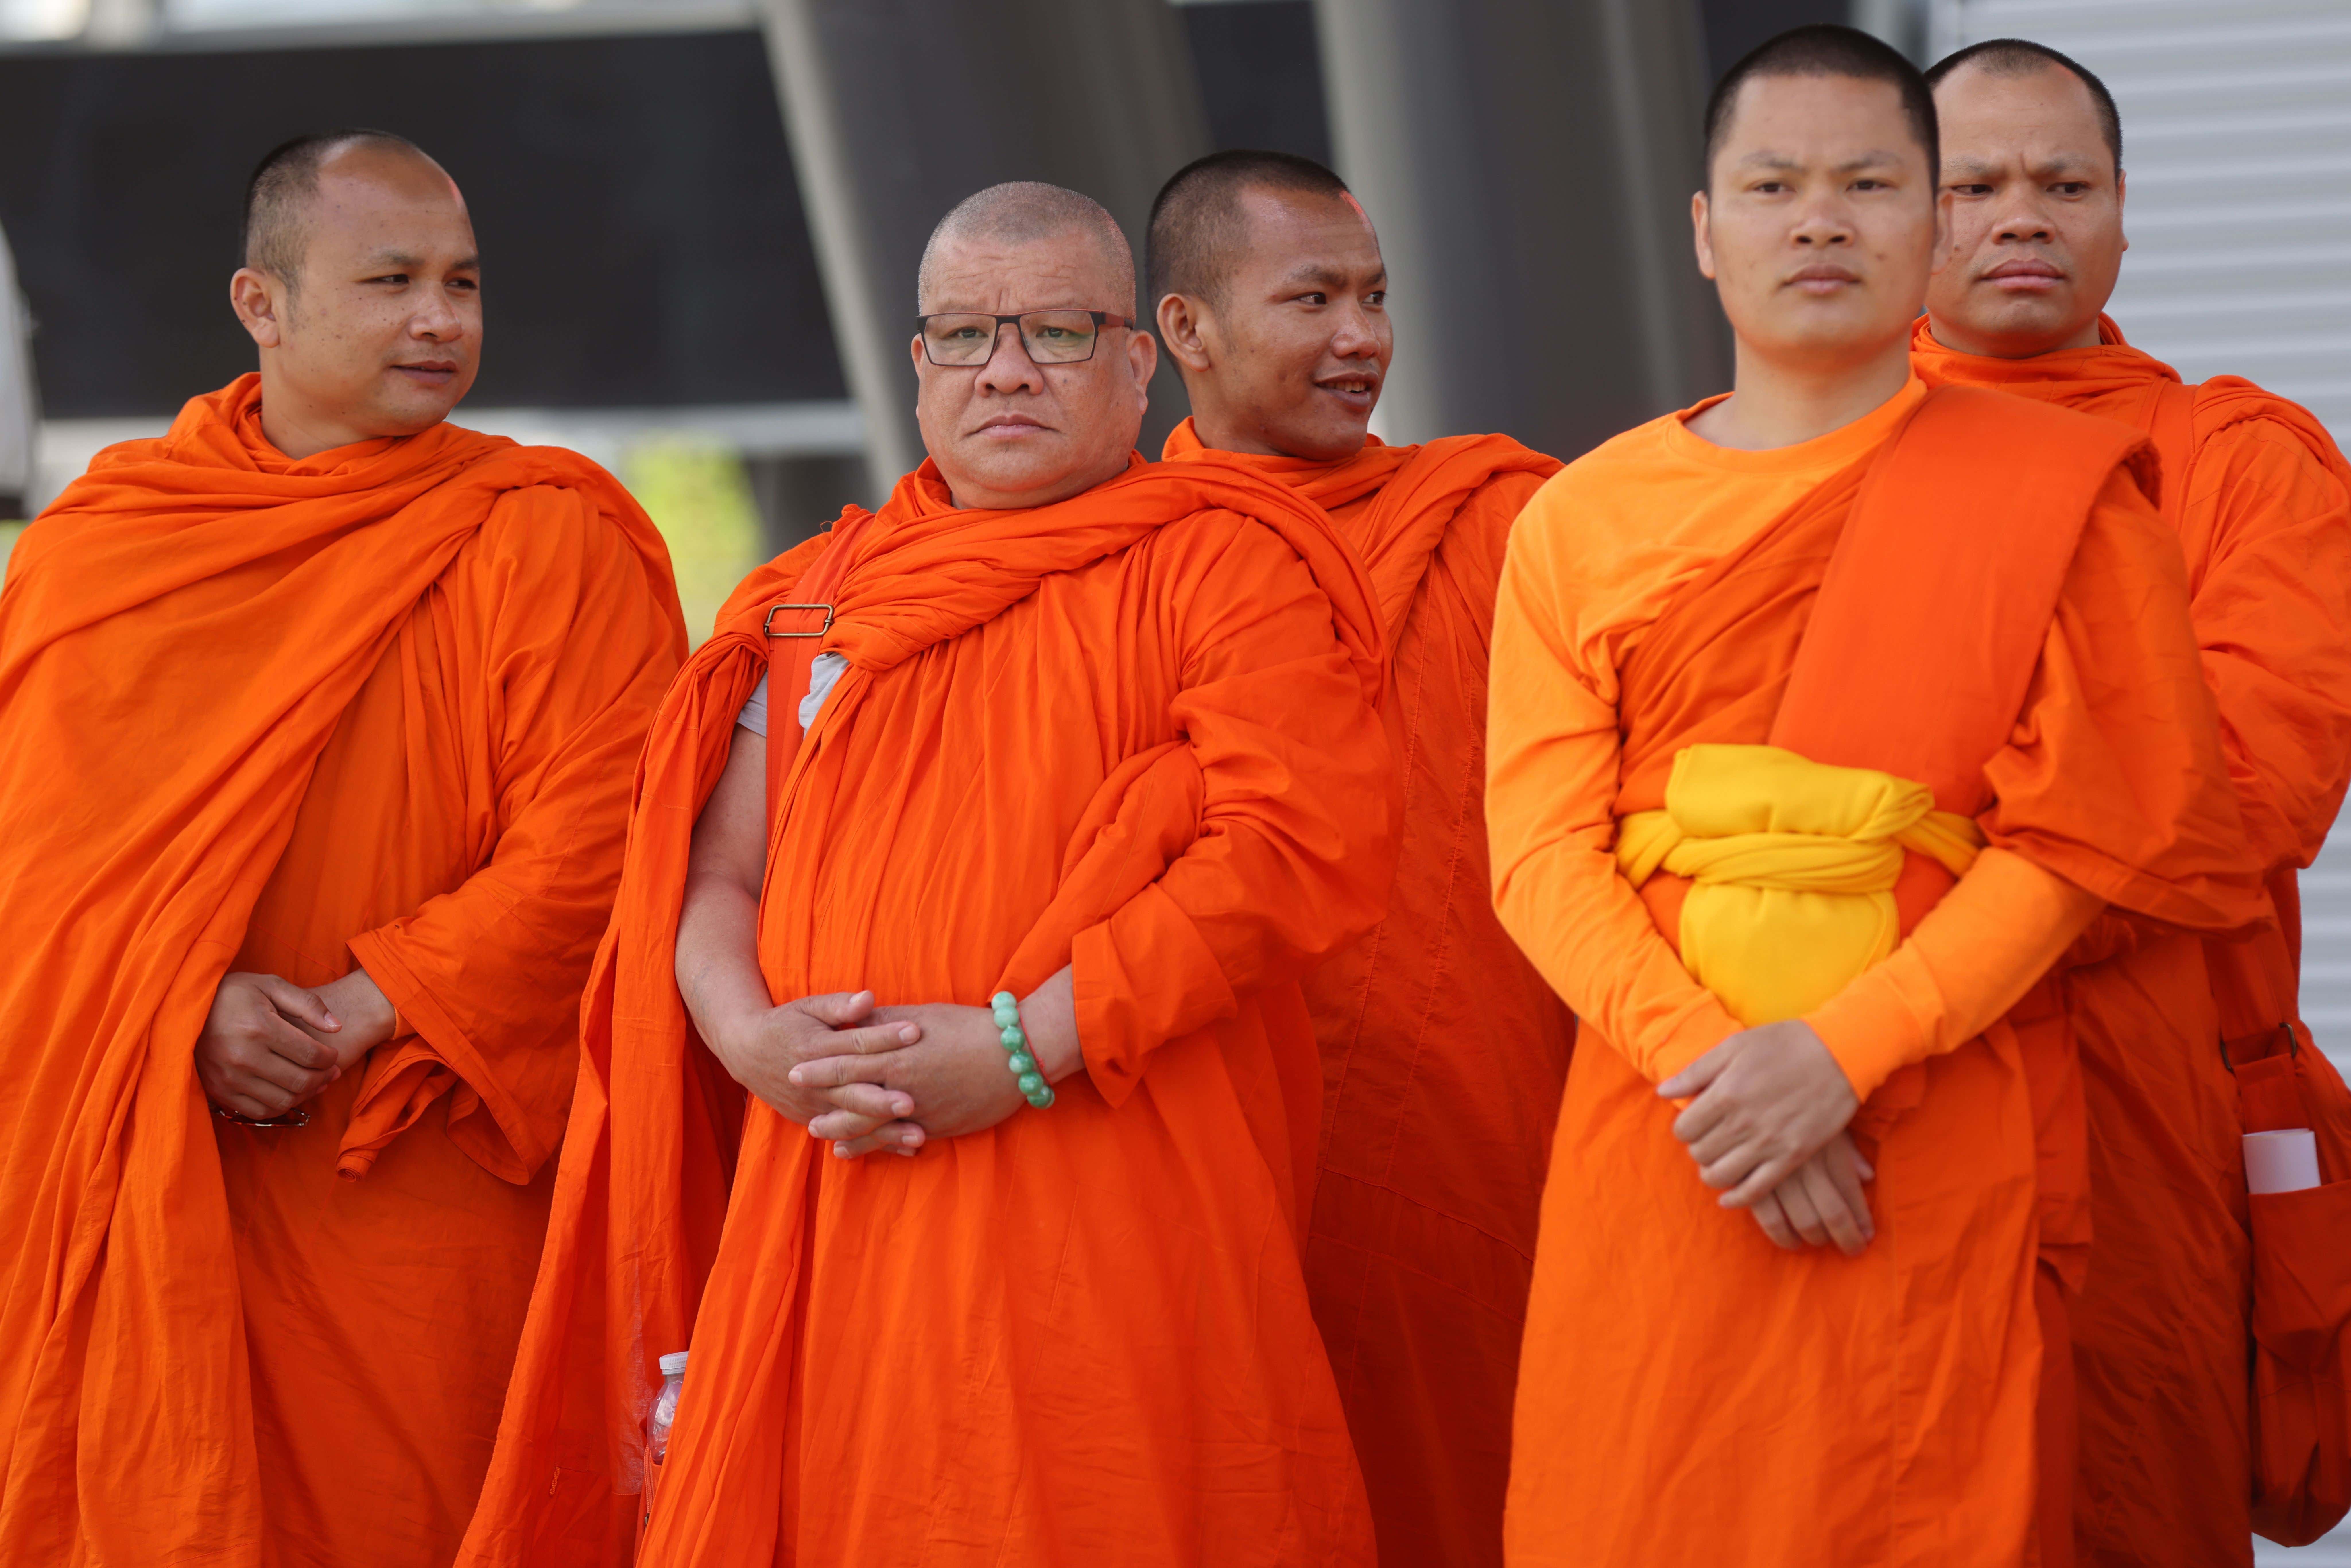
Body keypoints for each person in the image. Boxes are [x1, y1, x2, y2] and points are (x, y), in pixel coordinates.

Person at [461, 181, 1396, 1567]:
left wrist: (1023, 1050)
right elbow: (714, 877)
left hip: (1112, 1190)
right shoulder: (810, 599)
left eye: (1056, 331)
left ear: (1140, 361)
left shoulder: (1226, 568)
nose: (1004, 367)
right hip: (839, 1187)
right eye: (963, 334)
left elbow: (1286, 852)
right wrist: (750, 1038)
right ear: (915, 368)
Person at [1486, 26, 2262, 1568]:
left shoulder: (2059, 493)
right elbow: (1536, 852)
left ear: (1932, 226)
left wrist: (1840, 1056)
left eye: (1868, 184)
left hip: (1935, 1107)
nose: (1822, 220)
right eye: (1773, 185)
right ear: (1705, 233)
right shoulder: (1580, 517)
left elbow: (2082, 839)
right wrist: (1731, 1077)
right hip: (1674, 1120)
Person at [0, 131, 686, 1566]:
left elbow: (600, 848)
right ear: (262, 303)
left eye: (462, 281)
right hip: (154, 1174)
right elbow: (32, 870)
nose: (440, 319)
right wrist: (186, 1004)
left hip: (414, 1166)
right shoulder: (104, 546)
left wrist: (357, 1008)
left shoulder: (543, 535)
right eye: (391, 281)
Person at [1915, 40, 2351, 1563]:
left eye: (2064, 184)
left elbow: (2252, 787)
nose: (2022, 217)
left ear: (2122, 217)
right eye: (1975, 185)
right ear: (1906, 209)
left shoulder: (2237, 459)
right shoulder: (1795, 461)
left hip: (2153, 1100)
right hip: (1885, 1102)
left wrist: (1936, 875)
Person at [1148, 148, 1572, 1568]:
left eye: (1376, 296)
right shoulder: (1112, 563)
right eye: (1312, 296)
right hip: (1207, 1139)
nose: (1362, 337)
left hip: (1475, 1140)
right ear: (1184, 329)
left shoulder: (1510, 521)